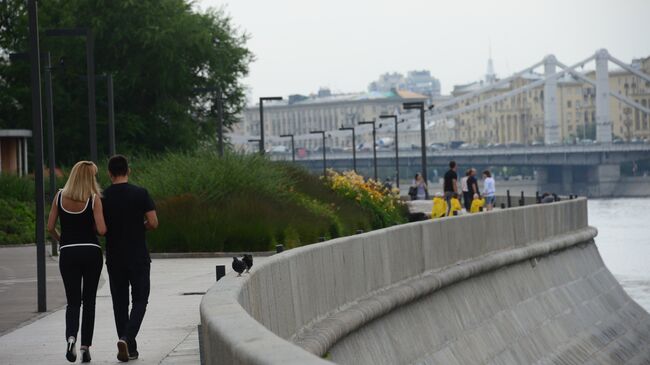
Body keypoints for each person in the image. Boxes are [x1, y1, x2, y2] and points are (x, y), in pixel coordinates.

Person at [47, 161, 106, 363]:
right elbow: (102, 229)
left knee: (73, 301)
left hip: (68, 253)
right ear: (90, 178)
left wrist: (62, 240)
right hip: (91, 252)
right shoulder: (94, 199)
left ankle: (71, 338)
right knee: (89, 301)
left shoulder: (60, 196)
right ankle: (85, 347)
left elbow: (50, 226)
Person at [102, 155, 159, 362]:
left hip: (115, 256)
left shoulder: (103, 197)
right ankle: (127, 338)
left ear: (109, 173)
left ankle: (129, 347)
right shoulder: (140, 193)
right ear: (129, 170)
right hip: (138, 255)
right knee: (140, 300)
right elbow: (153, 222)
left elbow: (100, 228)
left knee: (119, 302)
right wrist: (138, 227)